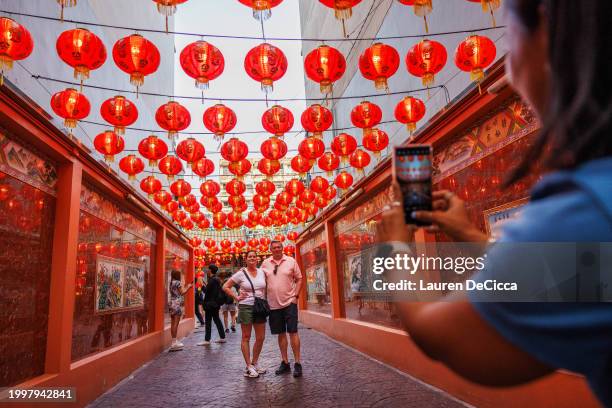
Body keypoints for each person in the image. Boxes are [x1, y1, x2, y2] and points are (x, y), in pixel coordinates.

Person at [376, 1, 612, 406]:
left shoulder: (589, 211)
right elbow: (555, 277)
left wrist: (395, 248)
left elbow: (447, 337)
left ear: (544, 31)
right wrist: (468, 233)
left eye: (507, 29)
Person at [261, 241, 303, 378]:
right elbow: (261, 282)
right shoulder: (265, 264)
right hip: (273, 306)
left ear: (282, 248)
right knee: (281, 334)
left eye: (279, 247)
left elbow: (300, 279)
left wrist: (295, 296)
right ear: (270, 250)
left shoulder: (291, 261)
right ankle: (285, 362)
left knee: (293, 332)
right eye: (274, 248)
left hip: (290, 303)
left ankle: (297, 363)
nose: (277, 249)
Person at [223, 250, 267, 378]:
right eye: (250, 257)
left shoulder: (262, 272)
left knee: (261, 337)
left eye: (254, 256)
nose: (252, 258)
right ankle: (248, 366)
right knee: (246, 337)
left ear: (257, 259)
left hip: (259, 307)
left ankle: (254, 363)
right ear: (246, 259)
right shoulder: (241, 273)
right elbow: (225, 286)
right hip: (246, 306)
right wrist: (236, 297)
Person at [197, 264, 226, 346]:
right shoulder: (216, 280)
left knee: (208, 321)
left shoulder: (213, 280)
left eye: (208, 269)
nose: (207, 270)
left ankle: (207, 339)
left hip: (210, 304)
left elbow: (206, 291)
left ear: (210, 270)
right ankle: (222, 337)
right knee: (217, 320)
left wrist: (201, 285)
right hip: (215, 304)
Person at [168, 270, 193, 351]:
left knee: (172, 322)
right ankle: (174, 342)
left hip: (171, 302)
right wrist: (188, 286)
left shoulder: (171, 282)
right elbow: (182, 292)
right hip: (177, 303)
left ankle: (174, 341)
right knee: (176, 322)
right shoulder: (178, 282)